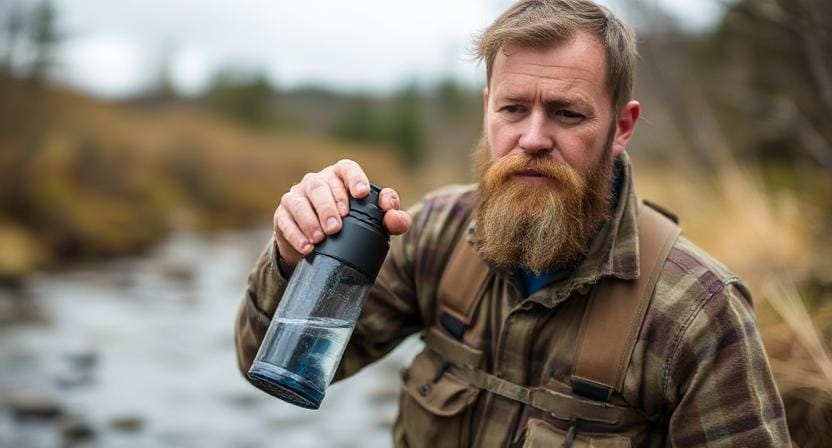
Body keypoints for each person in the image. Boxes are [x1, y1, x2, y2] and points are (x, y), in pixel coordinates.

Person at [234, 0, 790, 446]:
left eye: (567, 113)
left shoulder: (698, 310)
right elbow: (263, 360)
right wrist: (293, 258)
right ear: (487, 110)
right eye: (513, 108)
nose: (532, 138)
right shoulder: (431, 234)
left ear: (622, 126)